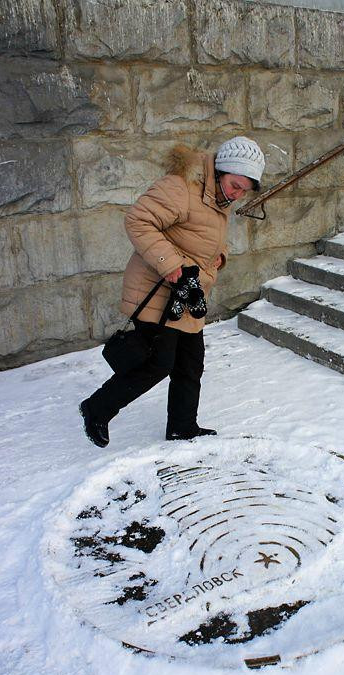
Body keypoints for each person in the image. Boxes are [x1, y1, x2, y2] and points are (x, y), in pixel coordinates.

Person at [79, 136, 265, 448]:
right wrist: (171, 265)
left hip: (188, 297)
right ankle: (96, 408)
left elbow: (207, 236)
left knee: (191, 365)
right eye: (235, 186)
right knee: (156, 363)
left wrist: (221, 256)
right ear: (220, 171)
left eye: (244, 191)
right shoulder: (181, 187)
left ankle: (182, 426)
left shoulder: (219, 197)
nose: (237, 195)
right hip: (158, 292)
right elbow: (138, 221)